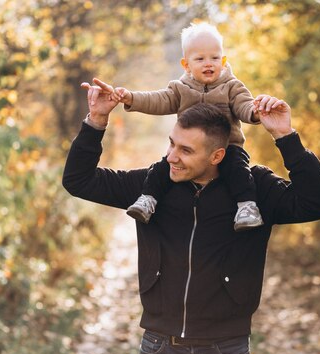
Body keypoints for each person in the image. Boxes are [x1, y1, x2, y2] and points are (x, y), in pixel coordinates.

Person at [63, 78, 320, 354]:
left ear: (217, 155)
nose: (171, 158)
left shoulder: (254, 191)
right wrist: (96, 122)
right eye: (171, 144)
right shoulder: (154, 185)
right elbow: (79, 180)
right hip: (160, 351)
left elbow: (319, 203)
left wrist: (285, 136)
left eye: (185, 151)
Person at [110, 22, 268, 231]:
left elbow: (243, 105)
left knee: (238, 170)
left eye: (214, 58)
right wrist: (130, 98)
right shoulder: (180, 88)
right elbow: (158, 100)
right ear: (186, 65)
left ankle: (247, 207)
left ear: (223, 60)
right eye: (200, 59)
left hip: (228, 148)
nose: (208, 63)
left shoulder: (232, 86)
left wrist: (255, 112)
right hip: (188, 151)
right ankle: (148, 199)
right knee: (162, 168)